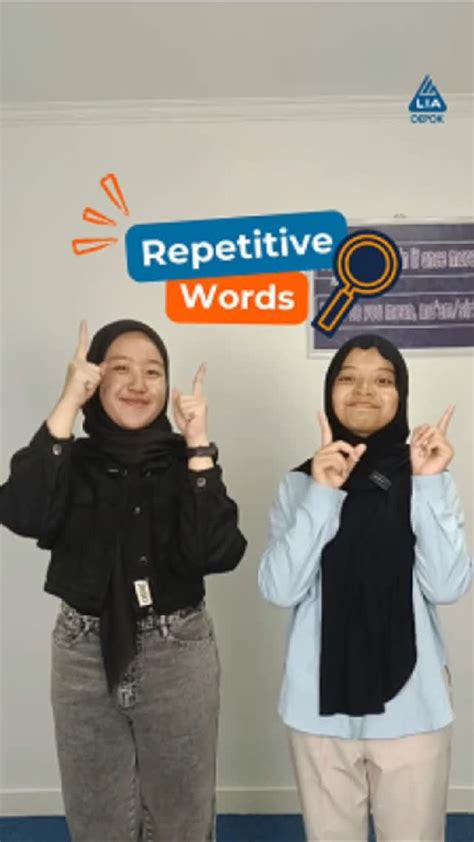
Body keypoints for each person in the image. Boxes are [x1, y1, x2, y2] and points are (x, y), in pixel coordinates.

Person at [0, 318, 247, 842]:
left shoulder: (188, 461)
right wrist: (67, 403)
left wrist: (198, 446)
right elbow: (22, 512)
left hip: (177, 650)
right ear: (94, 378)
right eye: (120, 369)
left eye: (153, 371)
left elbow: (218, 552)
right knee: (97, 818)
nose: (138, 383)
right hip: (82, 650)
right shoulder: (68, 457)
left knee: (181, 820)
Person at [258, 334, 472, 842]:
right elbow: (280, 589)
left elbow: (447, 586)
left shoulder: (428, 479)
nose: (364, 391)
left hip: (412, 706)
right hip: (318, 707)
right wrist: (322, 494)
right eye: (348, 378)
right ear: (329, 390)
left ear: (401, 394)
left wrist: (429, 483)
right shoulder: (300, 483)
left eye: (383, 380)